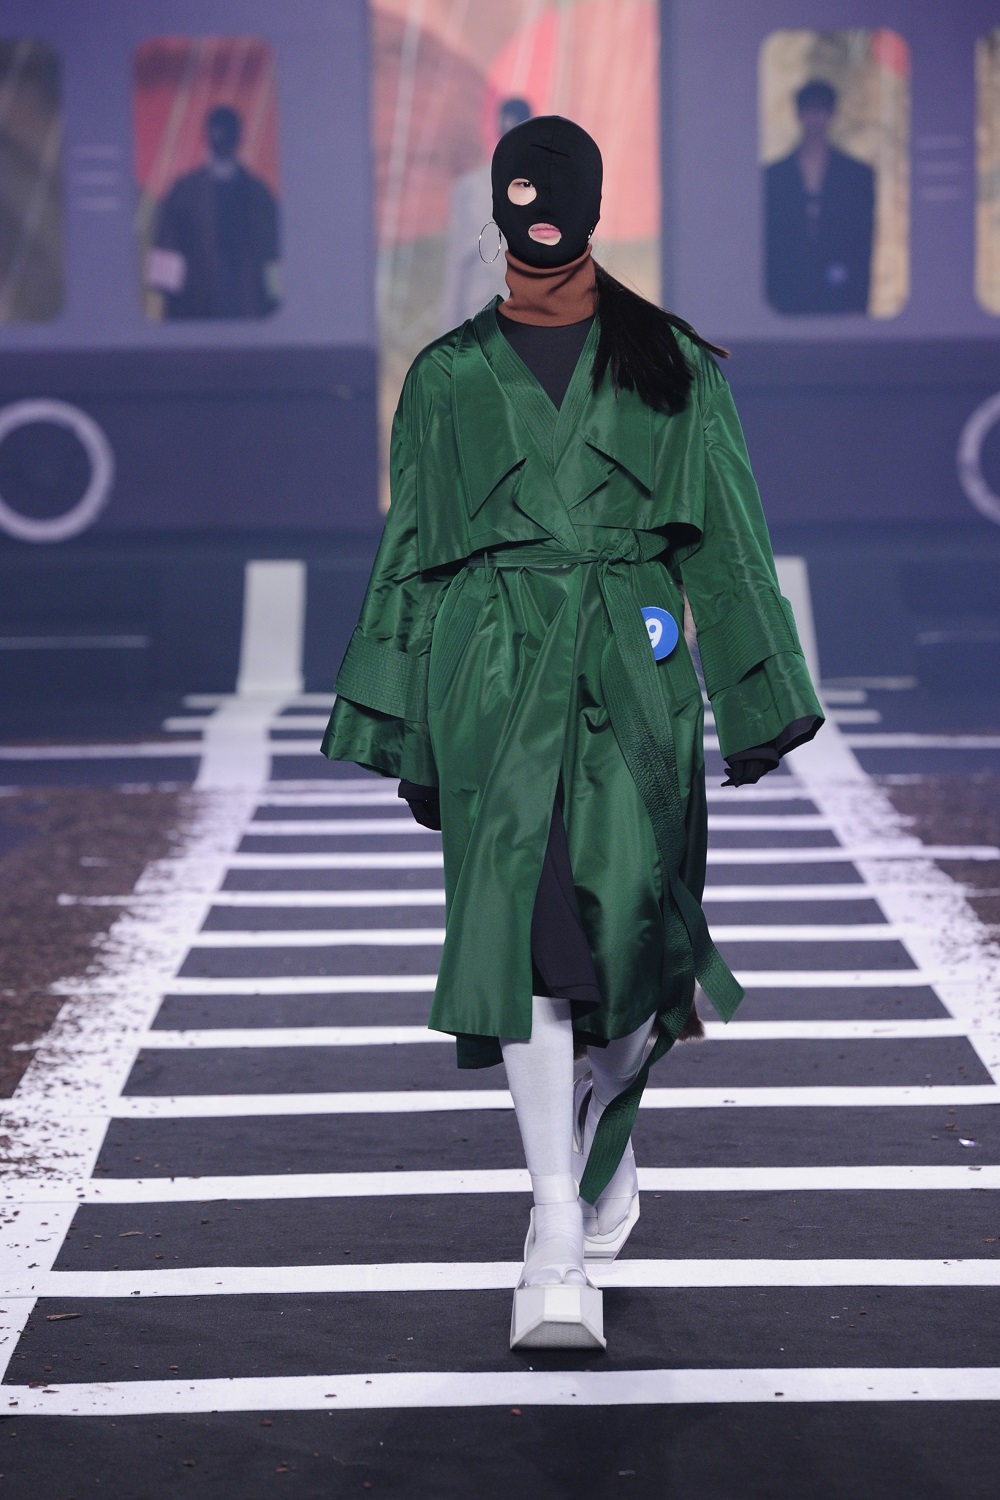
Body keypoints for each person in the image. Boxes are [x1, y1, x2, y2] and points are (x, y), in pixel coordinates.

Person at [323, 116, 823, 1350]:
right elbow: (410, 554)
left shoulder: (671, 362)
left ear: (595, 207)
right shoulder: (445, 376)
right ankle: (553, 1225)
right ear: (496, 208)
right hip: (492, 678)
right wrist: (399, 720)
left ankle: (607, 1126)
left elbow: (729, 534)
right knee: (529, 947)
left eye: (560, 191)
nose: (540, 210)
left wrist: (758, 697)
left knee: (634, 955)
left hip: (630, 676)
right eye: (520, 190)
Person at [145, 104, 280, 320]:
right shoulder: (185, 191)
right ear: (207, 136)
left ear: (239, 136)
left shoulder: (257, 193)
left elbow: (273, 250)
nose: (222, 138)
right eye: (217, 131)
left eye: (227, 131)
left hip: (245, 298)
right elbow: (167, 243)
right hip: (195, 299)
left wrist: (274, 299)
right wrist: (165, 299)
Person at [764, 78, 875, 315]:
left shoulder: (857, 176)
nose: (815, 119)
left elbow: (862, 241)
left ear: (831, 115)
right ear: (799, 114)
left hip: (840, 294)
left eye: (821, 110)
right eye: (809, 110)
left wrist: (859, 302)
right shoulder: (774, 176)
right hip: (787, 292)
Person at [438, 97, 531, 334]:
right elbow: (457, 263)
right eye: (507, 126)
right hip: (480, 314)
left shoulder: (550, 190)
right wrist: (450, 332)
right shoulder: (470, 188)